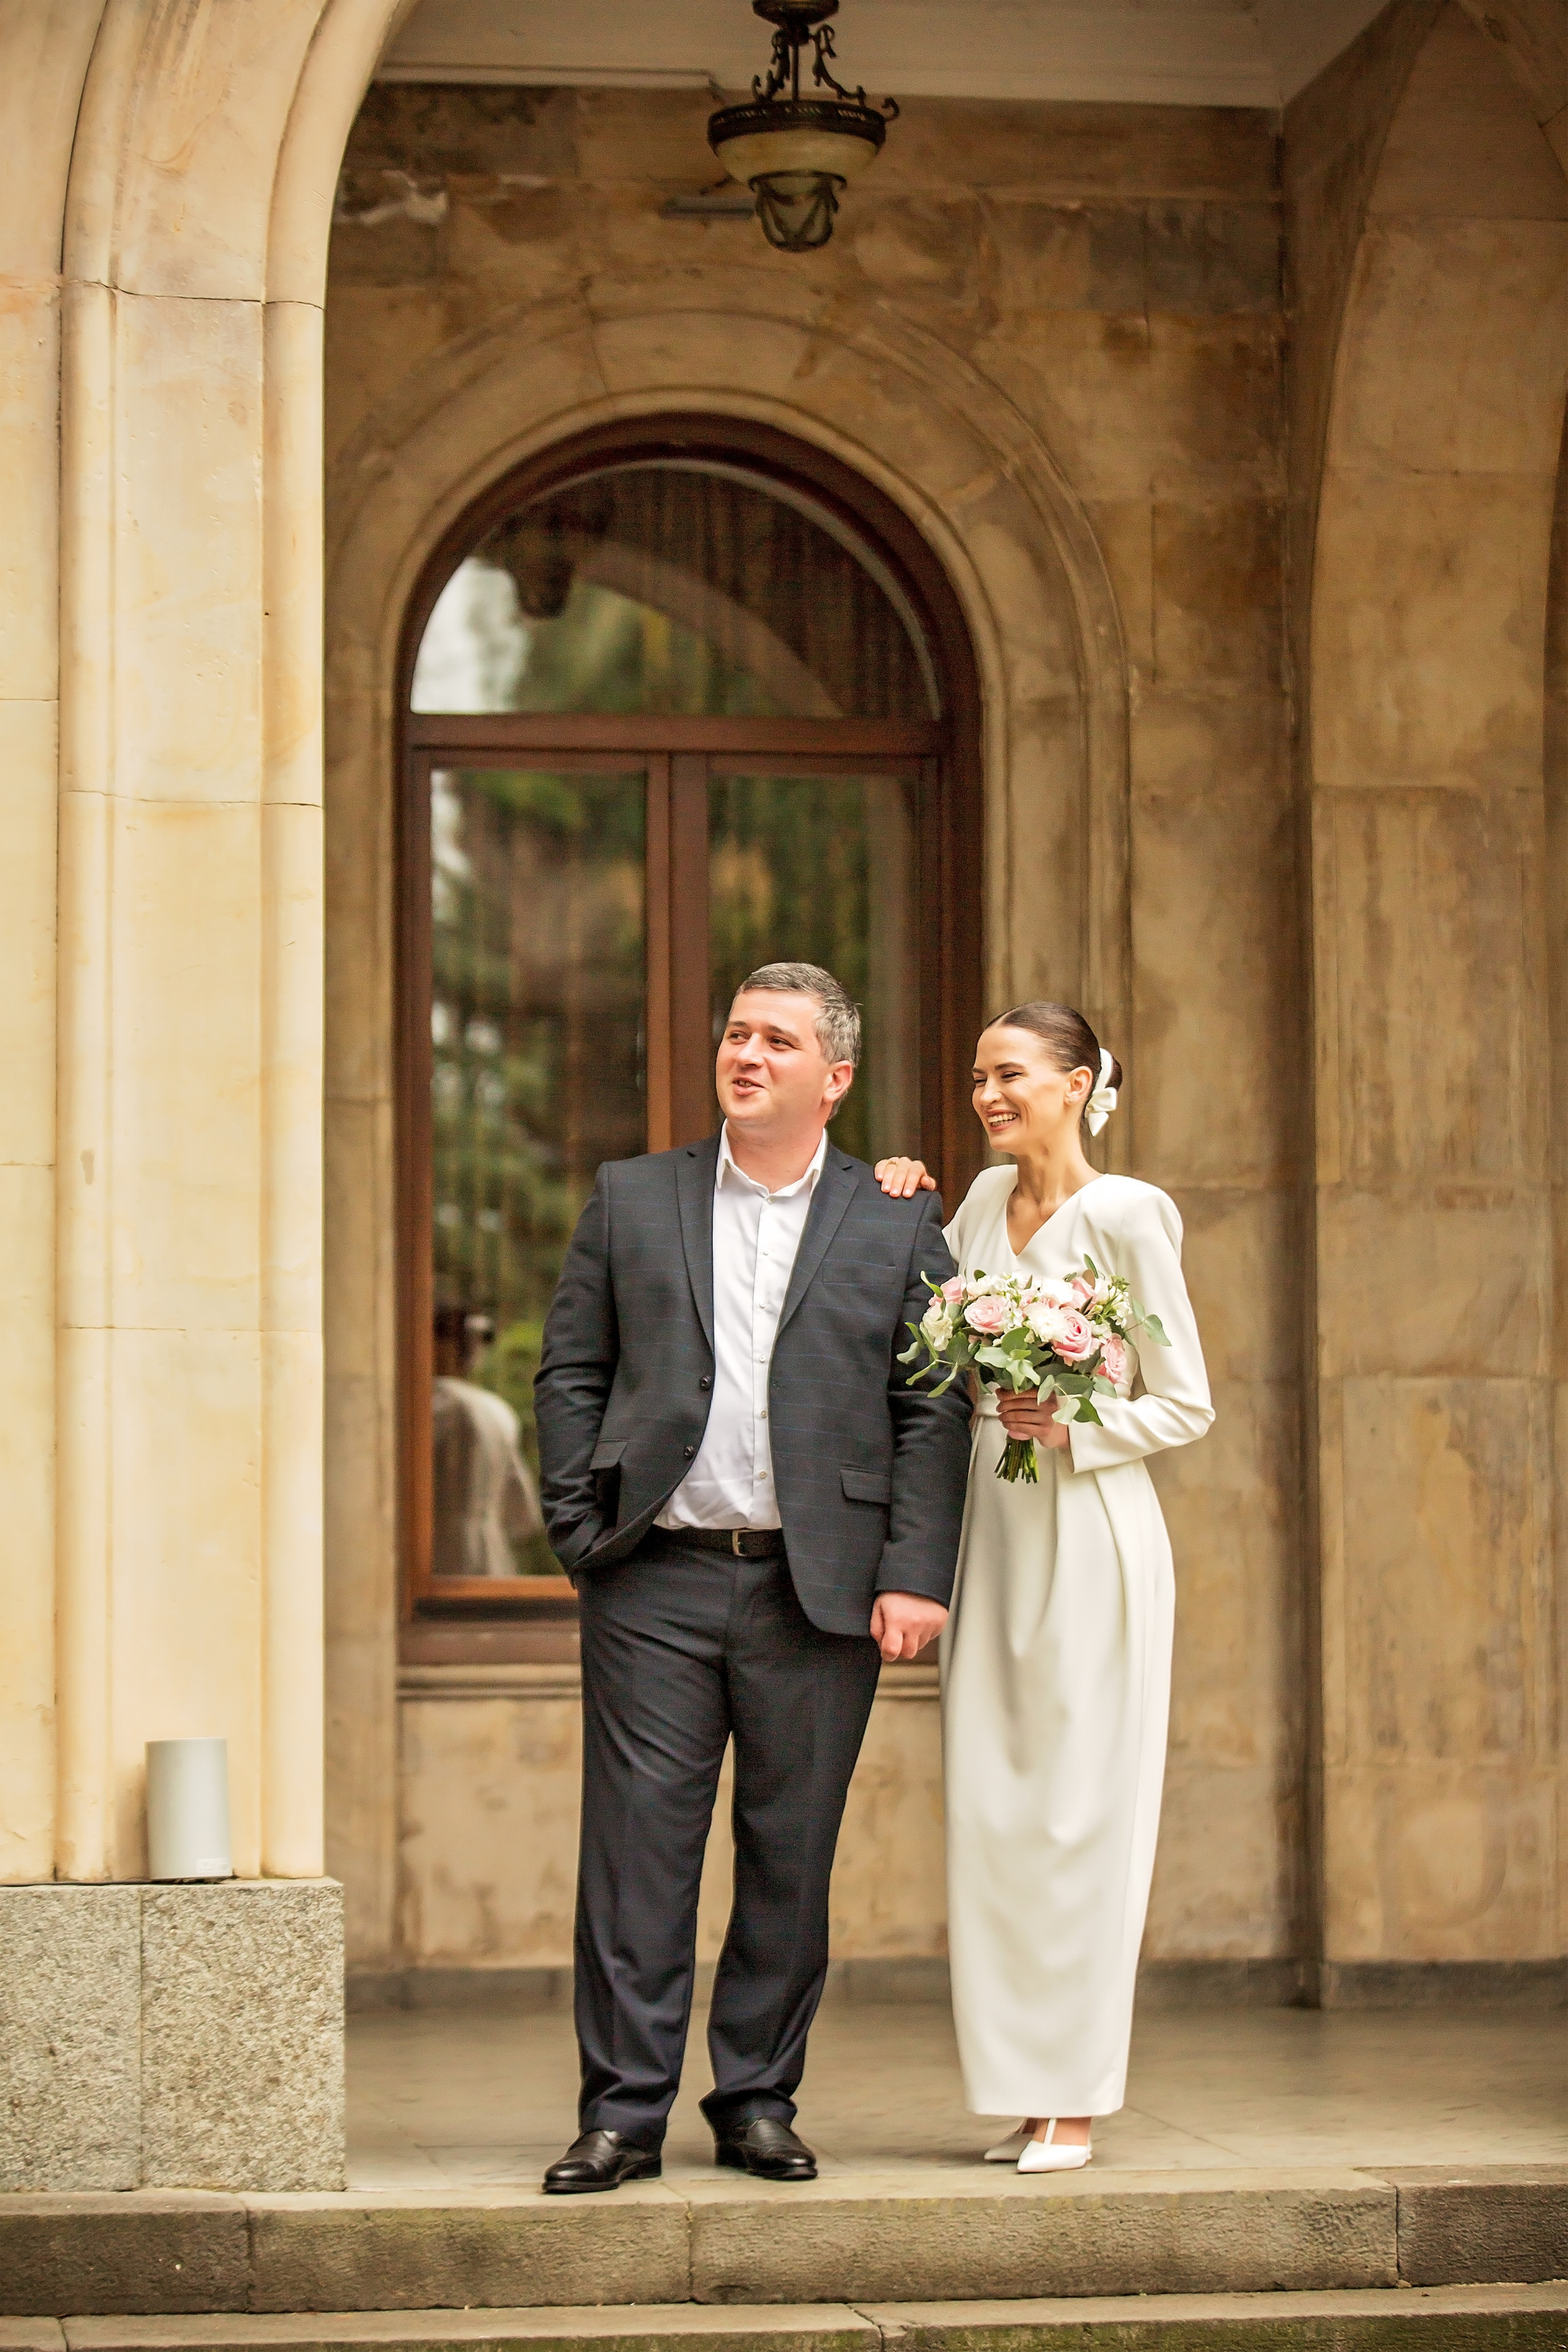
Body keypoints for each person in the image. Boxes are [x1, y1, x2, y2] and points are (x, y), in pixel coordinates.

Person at [534, 960, 971, 2194]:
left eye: (777, 1041)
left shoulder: (895, 1221)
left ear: (831, 1079)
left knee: (790, 1853)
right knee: (633, 1857)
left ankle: (756, 2099)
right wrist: (582, 1532)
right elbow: (570, 1371)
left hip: (815, 1591)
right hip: (652, 1581)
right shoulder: (631, 1197)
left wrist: (913, 1573)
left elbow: (928, 1405)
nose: (747, 1055)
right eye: (736, 1033)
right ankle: (620, 2115)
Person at [875, 1002, 1212, 2173]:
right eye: (977, 1076)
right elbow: (926, 1320)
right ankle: (1022, 2089)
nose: (987, 1093)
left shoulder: (1130, 1215)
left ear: (1077, 1085)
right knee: (995, 1807)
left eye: (1010, 1074)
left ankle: (1076, 2095)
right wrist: (890, 1191)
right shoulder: (973, 1203)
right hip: (992, 1528)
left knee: (1083, 1809)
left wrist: (1076, 1426)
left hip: (1091, 1531)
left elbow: (1186, 1399)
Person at [431, 1305, 545, 1577]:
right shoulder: (497, 1409)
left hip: (437, 1562)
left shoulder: (432, 1405)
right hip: (492, 1563)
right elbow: (521, 1515)